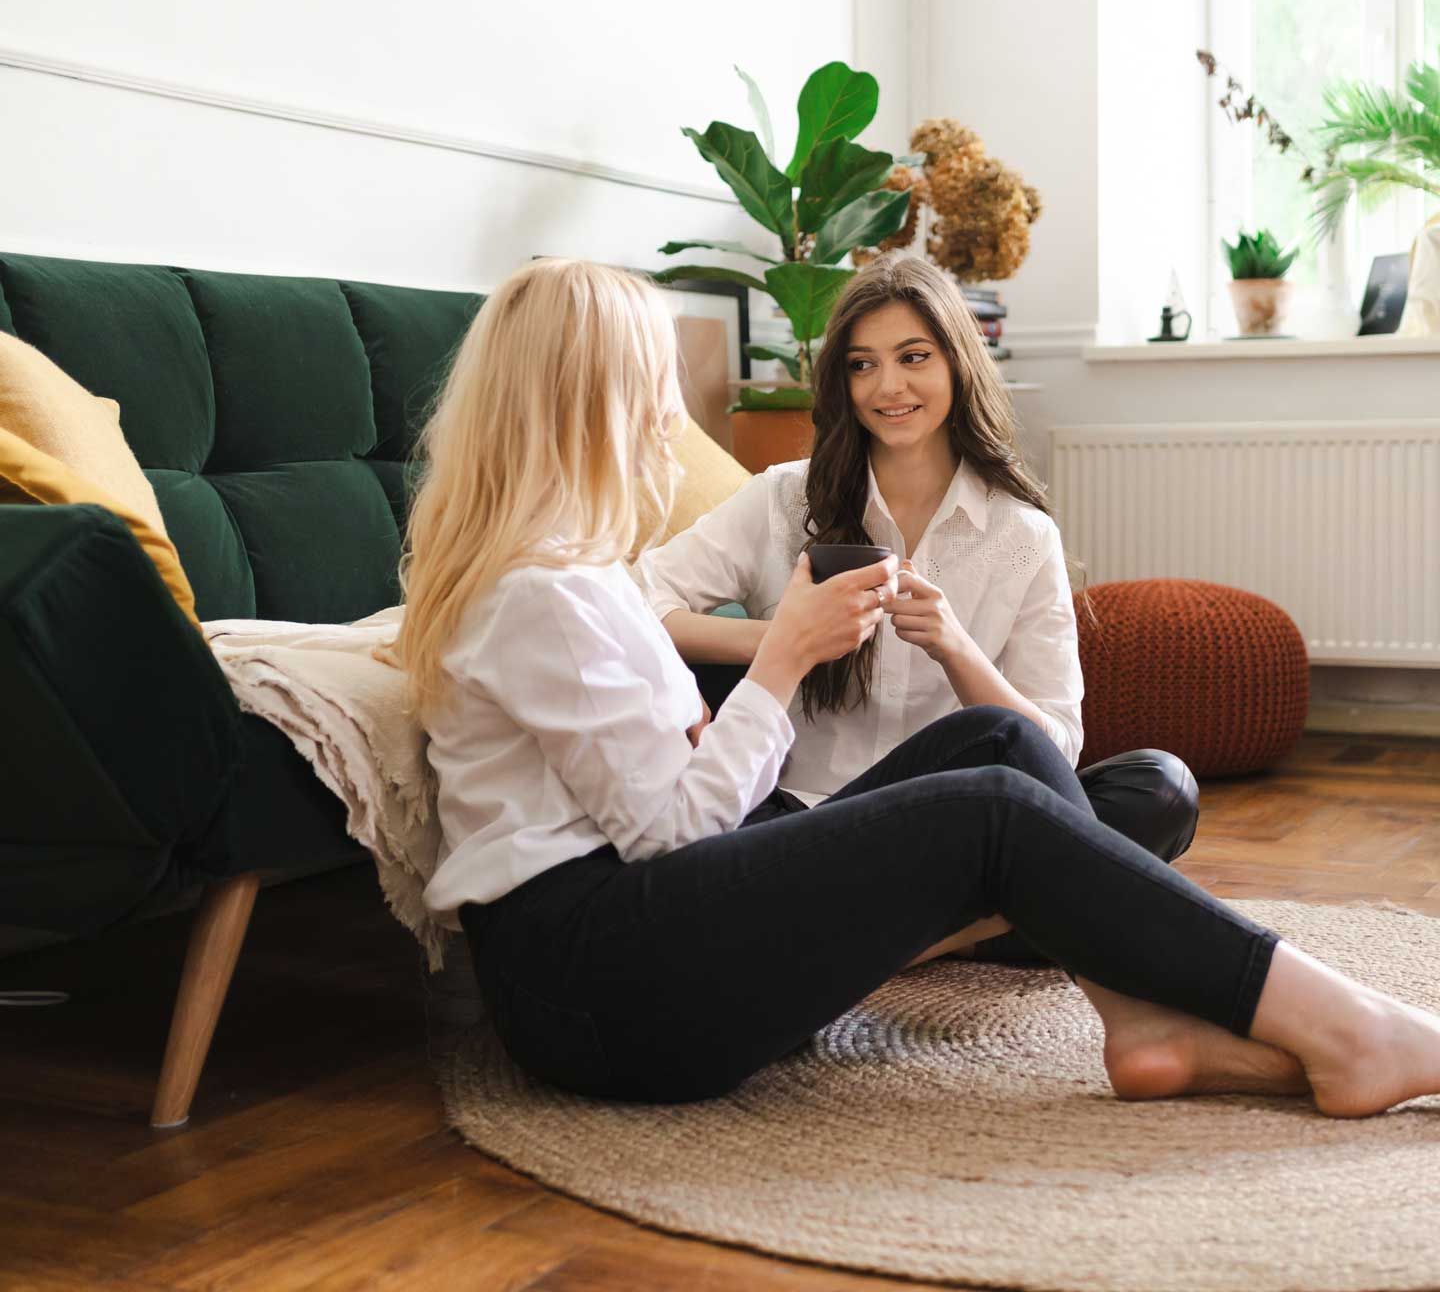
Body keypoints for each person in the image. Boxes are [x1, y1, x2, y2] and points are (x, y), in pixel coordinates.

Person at [401, 256, 1440, 1117]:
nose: (668, 419)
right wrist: (786, 653)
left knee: (1002, 746)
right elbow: (674, 835)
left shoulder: (578, 574)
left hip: (647, 936)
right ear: (591, 407)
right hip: (599, 994)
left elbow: (679, 798)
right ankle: (1354, 1030)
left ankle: (1143, 1020)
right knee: (990, 814)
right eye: (651, 390)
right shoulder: (541, 593)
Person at [635, 252, 1192, 961]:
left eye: (913, 357)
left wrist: (955, 647)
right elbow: (635, 603)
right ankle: (979, 926)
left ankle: (897, 941)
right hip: (791, 826)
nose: (887, 386)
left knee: (1160, 790)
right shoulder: (783, 499)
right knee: (1105, 891)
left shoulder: (1021, 536)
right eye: (862, 364)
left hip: (953, 833)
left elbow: (1053, 752)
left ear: (957, 363)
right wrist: (783, 639)